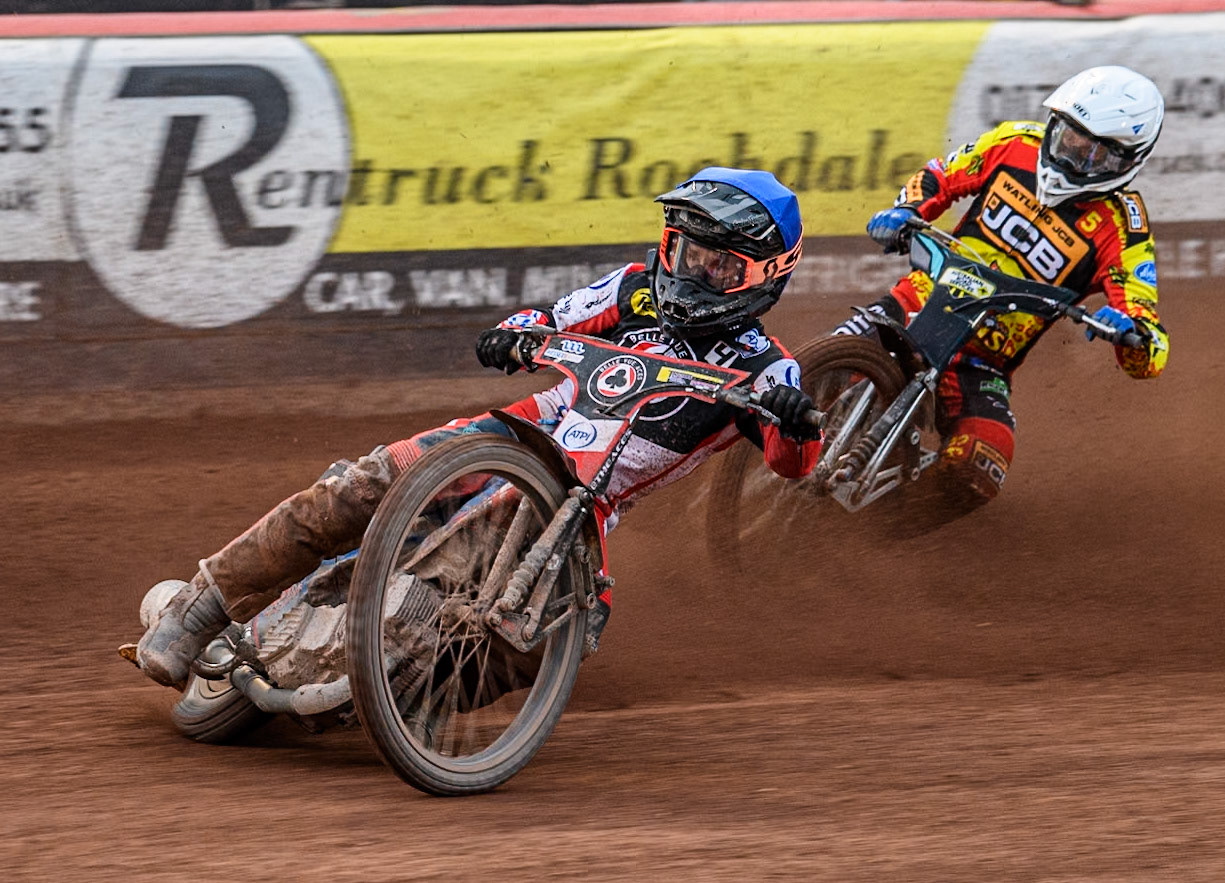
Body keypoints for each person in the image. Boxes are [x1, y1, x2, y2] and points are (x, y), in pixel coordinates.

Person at [137, 166, 823, 689]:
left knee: (520, 646)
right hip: (512, 436)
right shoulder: (631, 289)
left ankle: (372, 695)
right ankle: (197, 609)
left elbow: (794, 461)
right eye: (686, 250)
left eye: (718, 262)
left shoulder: (766, 369)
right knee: (362, 485)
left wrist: (796, 421)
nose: (694, 271)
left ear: (763, 274)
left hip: (577, 514)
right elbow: (545, 319)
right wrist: (512, 336)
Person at [834, 65, 1170, 512]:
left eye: (1095, 154)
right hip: (918, 303)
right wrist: (906, 210)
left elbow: (1150, 340)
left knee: (981, 465)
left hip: (982, 361)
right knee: (823, 365)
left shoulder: (1123, 228)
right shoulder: (1014, 143)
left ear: (1129, 160)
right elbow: (940, 175)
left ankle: (866, 535)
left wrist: (1128, 331)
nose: (1074, 156)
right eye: (1071, 138)